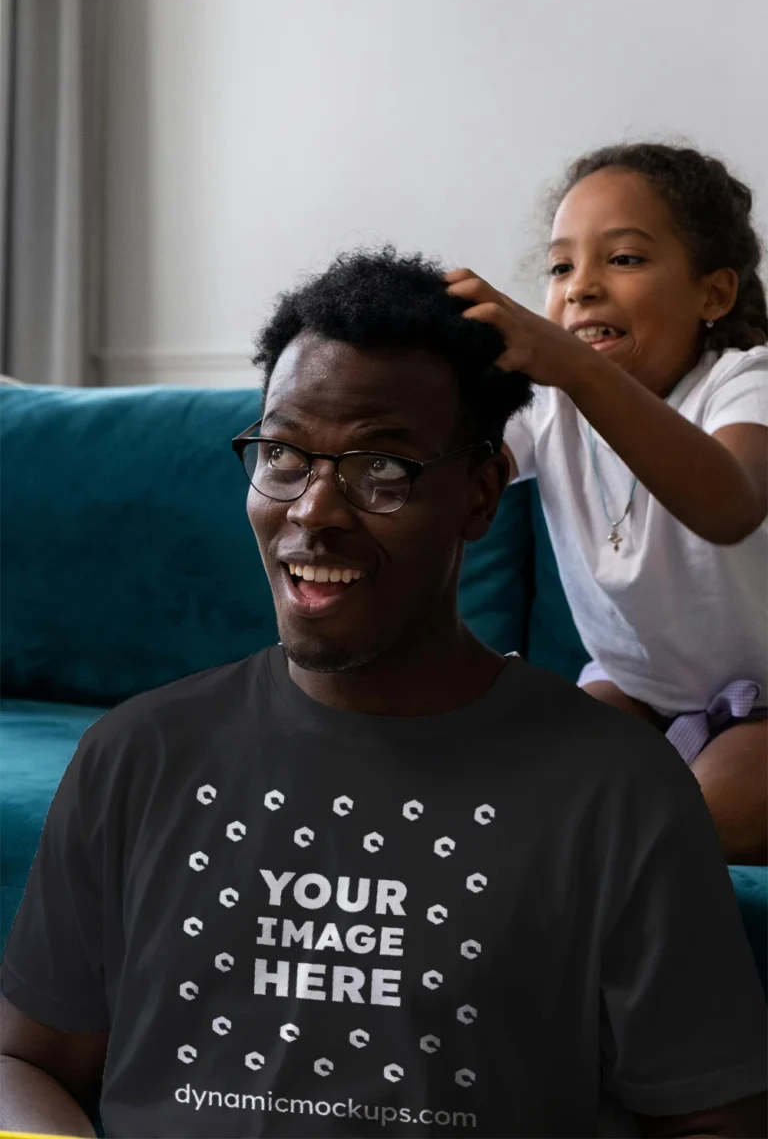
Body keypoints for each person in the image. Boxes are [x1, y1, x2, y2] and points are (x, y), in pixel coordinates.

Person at [1, 248, 768, 1138]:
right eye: (284, 454)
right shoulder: (135, 756)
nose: (315, 509)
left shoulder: (617, 789)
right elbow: (25, 1062)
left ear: (481, 495)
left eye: (382, 470)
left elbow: (715, 1122)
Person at [446, 143, 768, 867]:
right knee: (521, 797)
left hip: (766, 708)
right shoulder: (548, 403)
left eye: (622, 259)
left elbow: (731, 505)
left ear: (712, 295)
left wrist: (574, 367)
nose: (580, 287)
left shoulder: (745, 382)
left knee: (691, 824)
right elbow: (461, 476)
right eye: (561, 267)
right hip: (637, 690)